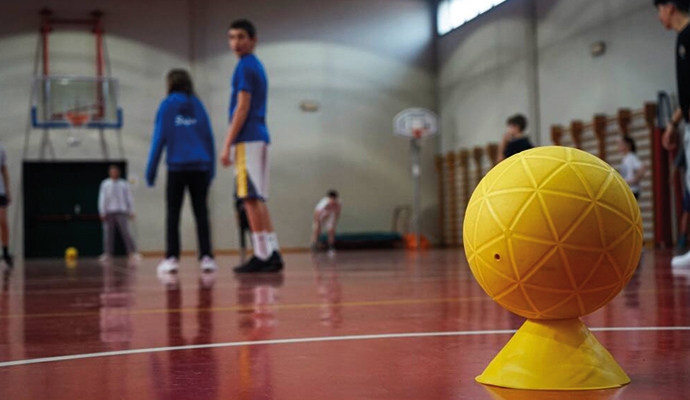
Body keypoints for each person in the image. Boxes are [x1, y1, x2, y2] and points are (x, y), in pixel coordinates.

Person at [220, 19, 284, 273]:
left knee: (248, 198)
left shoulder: (245, 67)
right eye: (231, 37)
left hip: (248, 137)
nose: (235, 42)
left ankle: (262, 254)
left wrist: (227, 144)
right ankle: (272, 250)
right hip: (259, 136)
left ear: (253, 40)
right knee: (257, 198)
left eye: (241, 37)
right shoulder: (254, 65)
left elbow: (242, 107)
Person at [146, 69, 217, 275]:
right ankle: (206, 257)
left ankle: (172, 258)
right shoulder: (198, 104)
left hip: (177, 168)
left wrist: (151, 172)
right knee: (202, 213)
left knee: (173, 214)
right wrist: (211, 170)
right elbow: (208, 138)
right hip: (200, 167)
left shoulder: (167, 105)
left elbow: (158, 139)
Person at [655, 0, 690, 267]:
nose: (659, 16)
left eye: (659, 9)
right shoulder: (681, 38)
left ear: (669, 7)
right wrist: (673, 123)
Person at [98, 165, 141, 262]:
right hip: (109, 212)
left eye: (115, 171)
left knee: (126, 233)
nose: (113, 173)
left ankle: (132, 252)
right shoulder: (105, 184)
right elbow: (102, 198)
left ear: (118, 172)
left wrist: (131, 210)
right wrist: (102, 211)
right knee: (108, 234)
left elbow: (129, 198)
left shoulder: (124, 184)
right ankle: (107, 253)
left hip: (121, 211)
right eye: (111, 171)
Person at [0, 145, 12, 268]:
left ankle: (5, 252)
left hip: (1, 191)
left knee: (3, 221)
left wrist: (8, 191)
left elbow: (4, 170)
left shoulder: (1, 149)